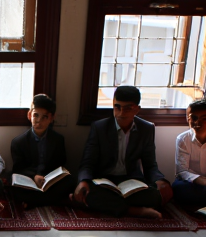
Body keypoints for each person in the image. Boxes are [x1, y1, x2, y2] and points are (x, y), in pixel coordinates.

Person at [73, 85, 172, 219]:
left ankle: (114, 206)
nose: (121, 112)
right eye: (117, 107)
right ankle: (135, 211)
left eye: (127, 108)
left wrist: (160, 180)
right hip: (104, 181)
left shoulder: (146, 129)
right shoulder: (100, 127)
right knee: (89, 193)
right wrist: (83, 181)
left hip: (131, 181)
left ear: (137, 109)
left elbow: (150, 165)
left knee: (156, 195)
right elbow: (87, 163)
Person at [8, 93, 74, 209]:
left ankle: (34, 202)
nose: (39, 121)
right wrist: (34, 176)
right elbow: (19, 168)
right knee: (11, 180)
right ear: (29, 115)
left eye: (45, 117)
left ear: (51, 118)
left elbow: (61, 162)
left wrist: (47, 177)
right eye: (36, 115)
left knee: (70, 181)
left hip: (49, 181)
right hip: (30, 180)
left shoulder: (58, 140)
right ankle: (52, 200)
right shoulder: (18, 142)